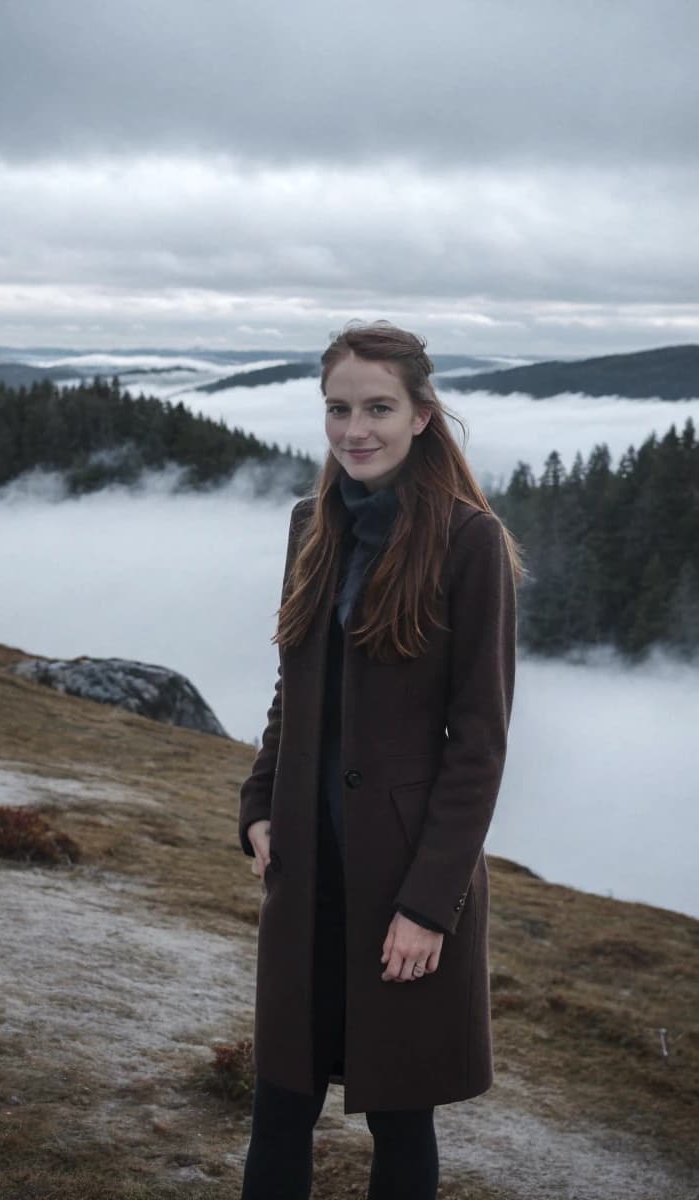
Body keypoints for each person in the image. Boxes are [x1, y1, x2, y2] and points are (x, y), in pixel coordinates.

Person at [238, 321, 520, 1200]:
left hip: (402, 881)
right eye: (338, 409)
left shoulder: (470, 543)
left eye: (378, 408)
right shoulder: (307, 525)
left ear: (423, 416)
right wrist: (256, 804)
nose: (355, 429)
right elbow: (295, 684)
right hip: (307, 868)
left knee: (401, 1114)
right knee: (280, 1101)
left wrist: (429, 907)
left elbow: (479, 743)